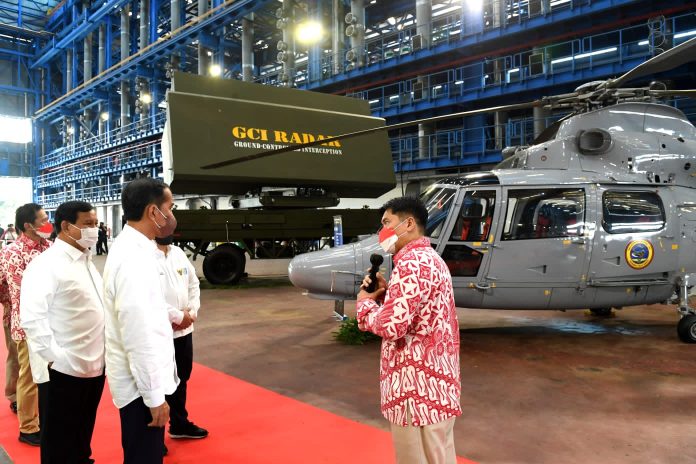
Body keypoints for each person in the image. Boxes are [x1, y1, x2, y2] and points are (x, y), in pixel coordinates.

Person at [356, 196, 461, 464]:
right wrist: (386, 295)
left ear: (409, 223)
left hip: (414, 391)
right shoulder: (431, 260)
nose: (382, 232)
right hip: (437, 386)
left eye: (387, 222)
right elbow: (421, 314)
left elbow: (392, 326)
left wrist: (365, 305)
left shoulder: (411, 265)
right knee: (440, 456)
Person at [20, 201, 105, 463]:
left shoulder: (86, 260)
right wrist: (57, 358)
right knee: (59, 442)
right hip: (64, 371)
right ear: (66, 227)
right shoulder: (47, 264)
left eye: (95, 224)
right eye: (87, 224)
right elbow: (33, 318)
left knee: (81, 434)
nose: (94, 230)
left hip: (93, 365)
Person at [103, 178, 179, 464]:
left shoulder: (139, 249)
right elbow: (139, 333)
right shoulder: (133, 259)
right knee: (143, 457)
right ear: (152, 212)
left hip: (143, 382)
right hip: (140, 389)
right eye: (169, 207)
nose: (172, 215)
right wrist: (153, 396)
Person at [0, 204, 53, 446]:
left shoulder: (50, 248)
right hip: (28, 323)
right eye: (43, 219)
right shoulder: (13, 252)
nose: (47, 222)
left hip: (55, 322)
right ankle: (28, 427)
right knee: (29, 375)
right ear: (28, 226)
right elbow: (21, 292)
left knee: (50, 374)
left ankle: (43, 418)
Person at [155, 235, 208, 440]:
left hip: (184, 330)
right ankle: (154, 435)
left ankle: (179, 423)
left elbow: (193, 284)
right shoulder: (146, 257)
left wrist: (191, 312)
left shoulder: (177, 253)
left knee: (181, 377)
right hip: (160, 332)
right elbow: (148, 296)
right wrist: (177, 316)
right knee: (157, 382)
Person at [0, 259, 18, 415]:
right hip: (14, 316)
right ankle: (14, 397)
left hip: (49, 315)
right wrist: (9, 303)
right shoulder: (8, 254)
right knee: (16, 357)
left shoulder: (49, 249)